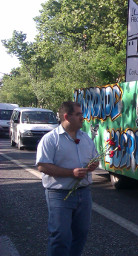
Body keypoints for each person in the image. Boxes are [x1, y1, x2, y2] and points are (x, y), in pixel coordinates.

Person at [36, 101, 99, 256]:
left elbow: (96, 159)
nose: (82, 118)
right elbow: (42, 166)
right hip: (59, 194)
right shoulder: (50, 139)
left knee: (81, 234)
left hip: (84, 192)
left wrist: (93, 165)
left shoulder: (86, 138)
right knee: (61, 236)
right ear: (67, 116)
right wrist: (71, 173)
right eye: (78, 114)